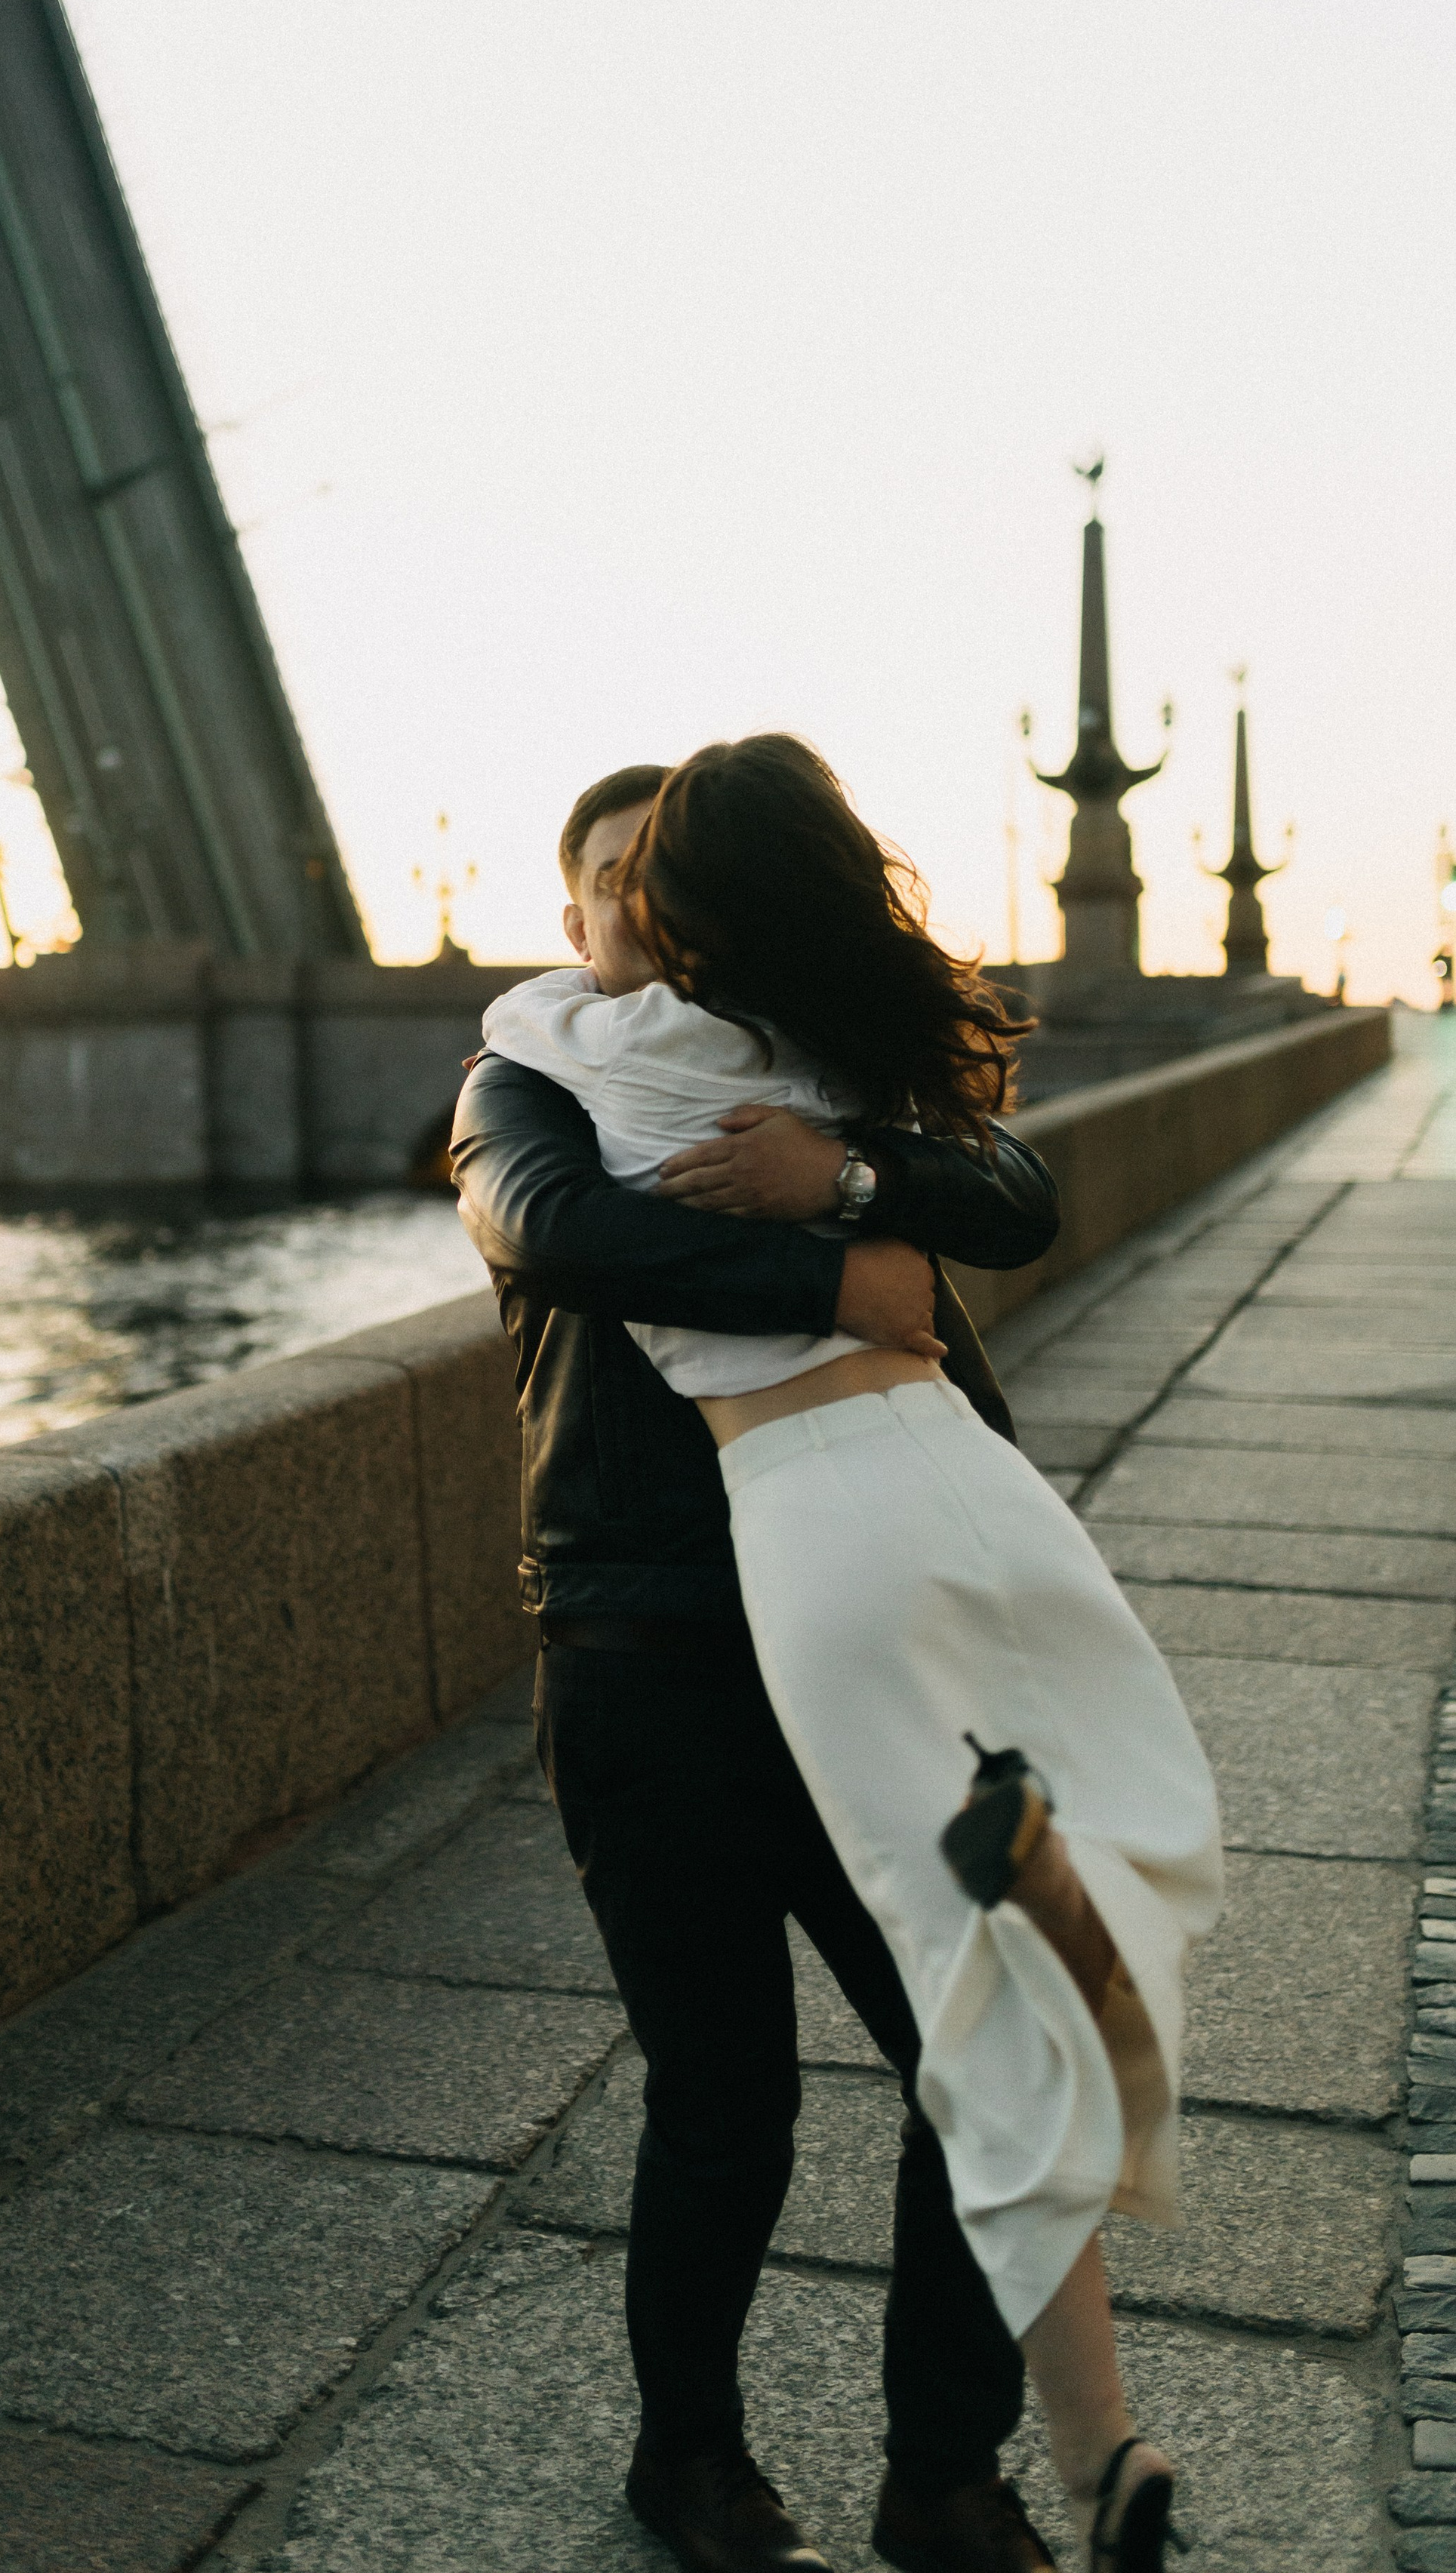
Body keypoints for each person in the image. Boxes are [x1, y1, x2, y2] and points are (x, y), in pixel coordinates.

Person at [471, 740, 1221, 2573]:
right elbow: (551, 1232)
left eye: (670, 870)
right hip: (651, 1641)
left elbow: (1015, 1194)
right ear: (571, 911)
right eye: (610, 876)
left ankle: (942, 2478)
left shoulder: (815, 1069)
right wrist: (841, 1278)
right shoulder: (530, 1073)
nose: (643, 901)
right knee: (721, 2098)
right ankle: (691, 2464)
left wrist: (844, 1169)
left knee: (985, 2040)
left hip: (888, 1633)